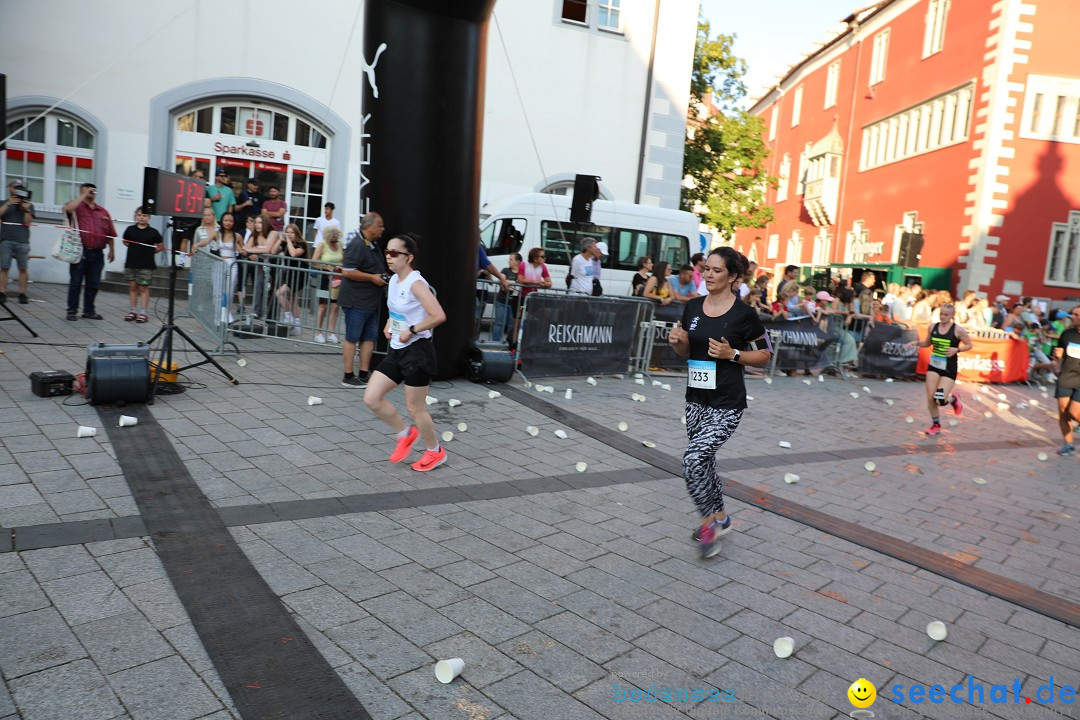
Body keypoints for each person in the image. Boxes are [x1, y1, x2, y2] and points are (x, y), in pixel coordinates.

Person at [668, 247, 772, 559]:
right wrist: (679, 343)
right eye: (707, 269)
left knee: (692, 460)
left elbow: (765, 355)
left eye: (717, 270)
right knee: (705, 462)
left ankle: (707, 526)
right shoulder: (693, 307)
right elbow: (685, 353)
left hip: (727, 402)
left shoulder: (744, 315)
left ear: (733, 277)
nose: (709, 275)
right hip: (696, 398)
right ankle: (722, 518)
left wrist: (734, 355)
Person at [363, 233, 447, 472]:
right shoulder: (393, 281)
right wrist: (390, 323)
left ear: (408, 257)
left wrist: (412, 329)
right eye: (386, 252)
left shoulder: (416, 284)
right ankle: (405, 433)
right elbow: (397, 310)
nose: (388, 257)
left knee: (415, 408)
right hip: (397, 350)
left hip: (417, 352)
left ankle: (435, 451)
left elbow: (438, 315)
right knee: (371, 398)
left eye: (394, 253)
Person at [338, 212, 387, 387]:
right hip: (356, 301)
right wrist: (372, 278)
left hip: (371, 302)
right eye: (380, 225)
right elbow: (348, 271)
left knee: (369, 338)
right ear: (369, 226)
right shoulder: (357, 244)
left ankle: (364, 374)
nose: (382, 229)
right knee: (352, 337)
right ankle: (348, 376)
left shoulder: (372, 244)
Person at [906, 303, 971, 436]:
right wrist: (916, 343)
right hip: (934, 365)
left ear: (952, 316)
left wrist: (957, 349)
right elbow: (927, 343)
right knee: (930, 398)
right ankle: (936, 425)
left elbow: (969, 345)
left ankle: (953, 399)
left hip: (949, 367)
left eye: (946, 314)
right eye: (941, 314)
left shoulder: (958, 330)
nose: (943, 316)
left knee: (940, 399)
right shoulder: (933, 326)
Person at [63, 182, 116, 321]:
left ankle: (89, 310)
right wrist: (83, 196)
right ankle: (72, 311)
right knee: (76, 281)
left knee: (93, 283)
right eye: (87, 189)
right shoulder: (77, 207)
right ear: (81, 191)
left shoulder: (103, 211)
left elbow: (110, 232)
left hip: (98, 252)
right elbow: (68, 208)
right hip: (81, 251)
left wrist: (112, 250)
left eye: (93, 189)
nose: (91, 191)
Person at [121, 206, 163, 323]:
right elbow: (125, 241)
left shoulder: (153, 232)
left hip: (146, 265)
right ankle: (132, 311)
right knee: (133, 287)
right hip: (131, 263)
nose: (141, 218)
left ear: (149, 218)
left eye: (144, 216)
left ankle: (143, 313)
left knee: (143, 288)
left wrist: (150, 252)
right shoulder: (130, 230)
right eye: (139, 215)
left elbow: (160, 246)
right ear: (136, 216)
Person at [1051, 306, 1080, 455]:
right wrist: (1057, 359)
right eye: (1073, 314)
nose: (1073, 317)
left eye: (1076, 315)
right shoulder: (1067, 333)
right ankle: (1068, 444)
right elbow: (1059, 354)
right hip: (1067, 376)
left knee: (1074, 412)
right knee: (1063, 413)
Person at [0, 180, 35, 304]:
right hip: (6, 239)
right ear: (9, 188)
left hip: (22, 240)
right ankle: (2, 292)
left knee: (23, 268)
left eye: (20, 188)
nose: (17, 190)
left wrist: (26, 210)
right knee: (4, 267)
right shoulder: (4, 202)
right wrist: (10, 203)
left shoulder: (28, 205)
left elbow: (28, 222)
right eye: (15, 187)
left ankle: (22, 293)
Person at [243, 213, 280, 318]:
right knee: (258, 285)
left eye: (260, 222)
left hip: (274, 263)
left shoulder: (272, 233)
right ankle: (257, 311)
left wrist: (251, 250)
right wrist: (249, 251)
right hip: (261, 262)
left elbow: (268, 249)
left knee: (272, 288)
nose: (257, 225)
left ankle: (270, 315)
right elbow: (245, 249)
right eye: (256, 223)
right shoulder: (254, 235)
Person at [274, 223, 309, 335]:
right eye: (287, 232)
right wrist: (280, 240)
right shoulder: (285, 244)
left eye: (291, 232)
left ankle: (288, 316)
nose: (289, 234)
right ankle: (296, 325)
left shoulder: (301, 244)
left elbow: (294, 254)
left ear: (296, 233)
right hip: (290, 274)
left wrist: (288, 241)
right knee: (293, 299)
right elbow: (273, 251)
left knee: (279, 293)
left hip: (299, 274)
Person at [312, 225, 344, 344]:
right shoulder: (322, 244)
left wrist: (340, 267)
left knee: (335, 307)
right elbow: (314, 262)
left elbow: (343, 260)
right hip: (324, 278)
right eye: (333, 238)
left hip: (337, 278)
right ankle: (318, 332)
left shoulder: (340, 245)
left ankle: (331, 333)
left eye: (336, 238)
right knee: (322, 306)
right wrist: (327, 267)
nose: (335, 240)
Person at [174, 169, 205, 262]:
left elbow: (207, 203)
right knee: (185, 239)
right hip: (187, 219)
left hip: (198, 219)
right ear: (192, 177)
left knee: (196, 241)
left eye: (202, 177)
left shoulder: (204, 190)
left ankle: (193, 262)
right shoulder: (186, 188)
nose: (200, 179)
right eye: (198, 176)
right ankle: (182, 261)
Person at [492, 252, 521, 343]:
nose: (509, 261)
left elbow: (513, 285)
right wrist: (509, 284)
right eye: (509, 259)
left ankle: (509, 344)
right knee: (499, 323)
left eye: (511, 259)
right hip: (501, 301)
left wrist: (508, 283)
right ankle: (495, 343)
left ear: (517, 262)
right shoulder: (505, 270)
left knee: (511, 325)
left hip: (513, 303)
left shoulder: (520, 274)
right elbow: (502, 281)